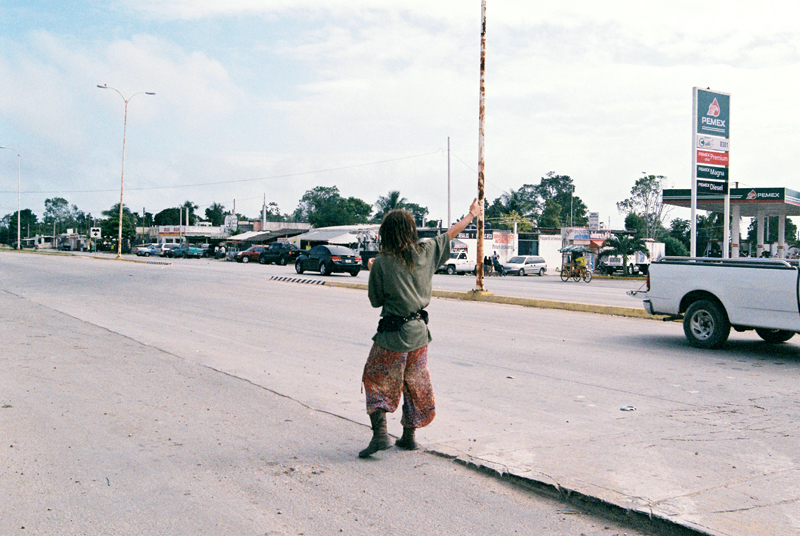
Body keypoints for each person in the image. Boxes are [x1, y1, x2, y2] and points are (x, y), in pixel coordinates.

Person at [359, 198, 482, 458]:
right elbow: (449, 234)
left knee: (375, 378)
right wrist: (471, 214)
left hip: (391, 335)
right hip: (419, 334)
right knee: (414, 382)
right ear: (411, 231)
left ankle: (381, 435)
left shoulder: (382, 262)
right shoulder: (426, 252)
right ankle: (408, 437)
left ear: (386, 233)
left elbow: (375, 301)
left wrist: (374, 270)